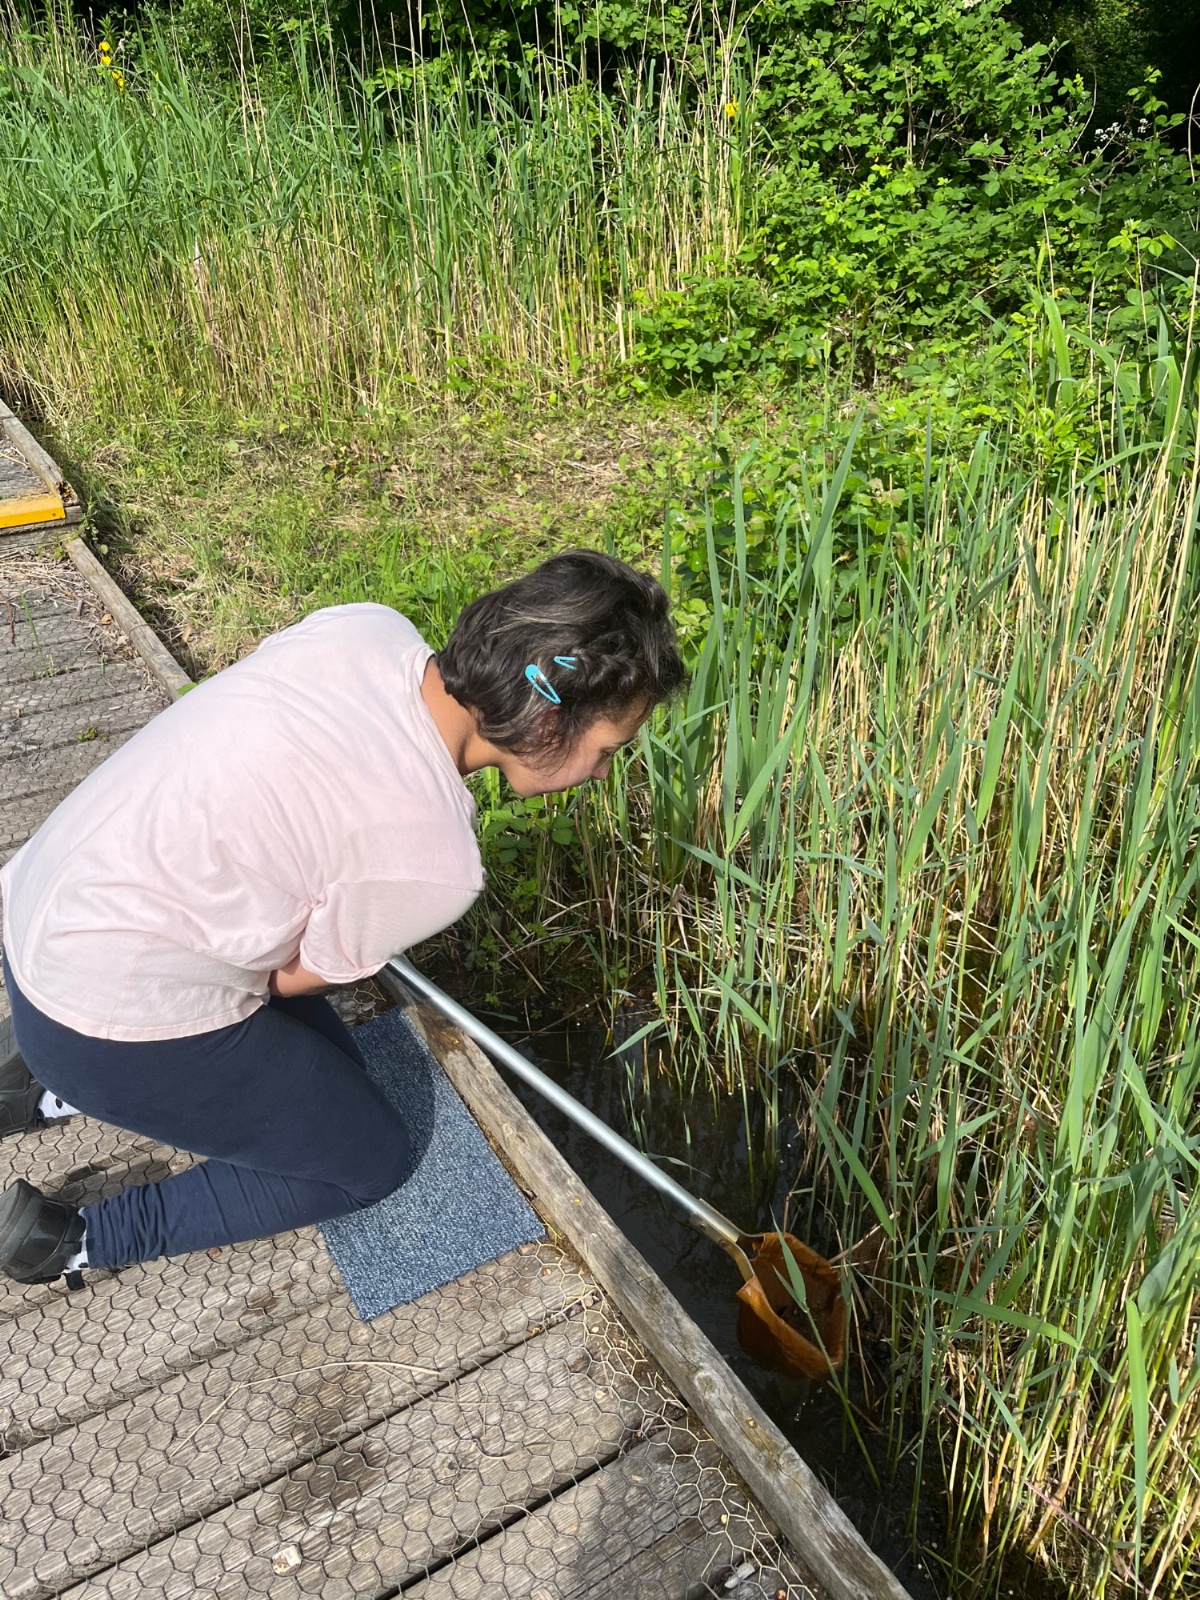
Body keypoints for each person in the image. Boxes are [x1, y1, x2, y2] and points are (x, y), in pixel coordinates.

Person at [0, 549, 684, 1287]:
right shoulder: (437, 860)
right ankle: (73, 1239)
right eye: (609, 750)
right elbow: (284, 980)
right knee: (368, 1157)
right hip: (95, 1020)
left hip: (37, 917)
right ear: (550, 720)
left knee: (337, 1076)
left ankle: (36, 1082)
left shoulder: (367, 629)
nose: (603, 772)